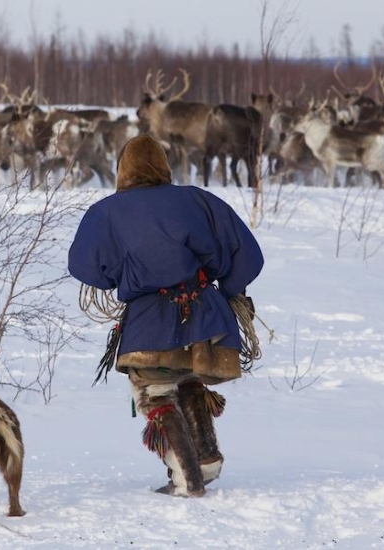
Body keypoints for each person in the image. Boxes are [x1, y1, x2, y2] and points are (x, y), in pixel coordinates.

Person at [68, 134, 264, 497]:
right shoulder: (199, 199)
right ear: (163, 165)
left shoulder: (107, 212)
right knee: (189, 379)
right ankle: (206, 462)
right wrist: (231, 292)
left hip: (149, 321)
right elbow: (247, 254)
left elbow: (86, 267)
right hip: (208, 317)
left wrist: (123, 275)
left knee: (155, 392)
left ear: (122, 170)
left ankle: (184, 477)